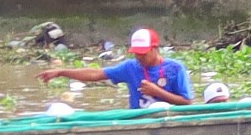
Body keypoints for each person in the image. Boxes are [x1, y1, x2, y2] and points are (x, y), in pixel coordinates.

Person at [37, 27, 192, 108]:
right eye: (136, 53)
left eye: (143, 53)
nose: (139, 57)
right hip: (138, 123)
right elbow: (95, 74)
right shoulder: (131, 67)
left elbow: (187, 102)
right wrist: (61, 72)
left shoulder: (176, 69)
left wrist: (157, 92)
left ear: (155, 48)